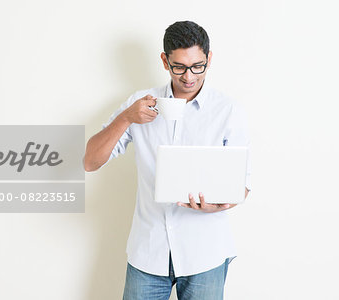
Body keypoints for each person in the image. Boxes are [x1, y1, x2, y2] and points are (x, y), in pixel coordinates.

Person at [84, 20, 251, 300]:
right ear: (165, 61)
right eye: (179, 67)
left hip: (205, 252)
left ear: (209, 59)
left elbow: (242, 185)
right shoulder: (139, 104)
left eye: (198, 66)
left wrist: (217, 205)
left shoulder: (228, 111)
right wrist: (126, 118)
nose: (189, 76)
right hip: (148, 253)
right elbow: (90, 161)